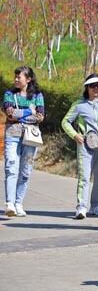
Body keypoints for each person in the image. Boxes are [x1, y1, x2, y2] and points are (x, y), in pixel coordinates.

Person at [61, 73, 98, 219]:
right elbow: (65, 122)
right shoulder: (79, 105)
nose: (95, 89)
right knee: (84, 176)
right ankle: (81, 207)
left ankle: (95, 205)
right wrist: (75, 135)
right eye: (92, 86)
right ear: (87, 87)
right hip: (85, 144)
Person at [3, 66, 45, 217]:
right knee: (11, 167)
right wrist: (30, 111)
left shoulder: (37, 95)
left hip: (30, 136)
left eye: (18, 77)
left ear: (28, 79)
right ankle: (10, 203)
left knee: (26, 170)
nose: (15, 79)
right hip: (12, 134)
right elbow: (9, 113)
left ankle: (19, 202)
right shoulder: (9, 94)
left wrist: (19, 114)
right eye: (15, 77)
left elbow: (40, 116)